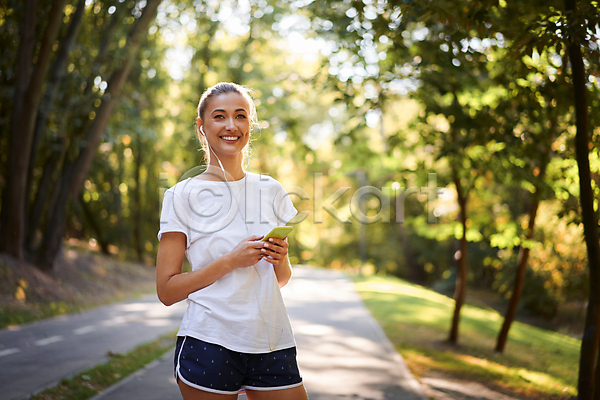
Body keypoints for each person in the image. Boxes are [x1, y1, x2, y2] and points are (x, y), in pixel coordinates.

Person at [156, 82, 309, 400]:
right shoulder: (181, 195)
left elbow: (280, 280)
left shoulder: (271, 190)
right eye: (219, 116)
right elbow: (167, 291)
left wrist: (279, 259)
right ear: (202, 126)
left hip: (271, 340)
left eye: (240, 116)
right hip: (209, 340)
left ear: (249, 125)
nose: (231, 125)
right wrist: (229, 261)